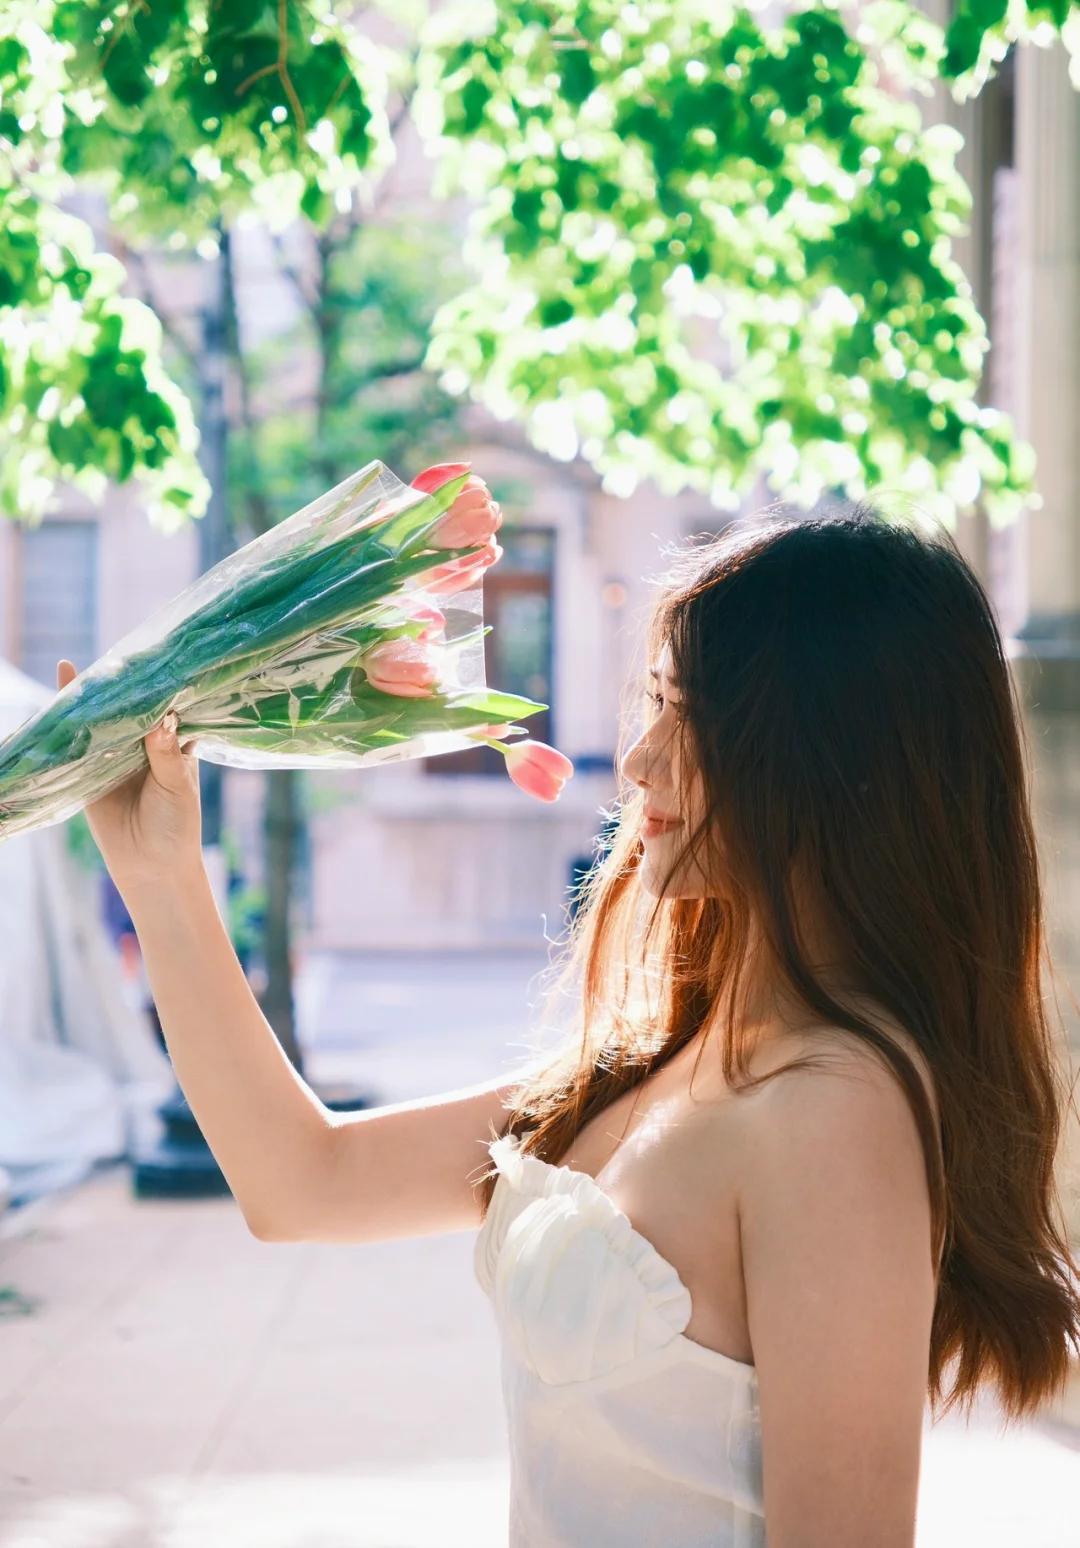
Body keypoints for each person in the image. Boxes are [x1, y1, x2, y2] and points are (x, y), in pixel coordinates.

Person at [57, 506, 1080, 1548]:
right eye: (655, 703)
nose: (639, 762)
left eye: (691, 715)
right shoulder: (678, 1058)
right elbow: (300, 1180)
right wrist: (159, 873)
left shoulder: (836, 1115)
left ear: (827, 754)